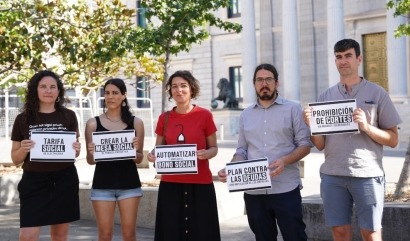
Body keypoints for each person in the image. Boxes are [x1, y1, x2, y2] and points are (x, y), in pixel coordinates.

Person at [303, 39, 402, 241]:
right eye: (339, 57)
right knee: (339, 232)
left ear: (359, 59)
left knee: (371, 233)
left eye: (348, 56)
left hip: (367, 174)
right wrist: (311, 125)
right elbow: (320, 145)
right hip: (333, 175)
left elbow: (393, 140)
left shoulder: (377, 93)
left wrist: (366, 127)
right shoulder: (325, 97)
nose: (343, 61)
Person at [217, 63, 312, 241]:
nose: (264, 84)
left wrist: (285, 160)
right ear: (254, 84)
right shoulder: (246, 114)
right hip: (254, 192)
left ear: (277, 83)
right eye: (259, 80)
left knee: (295, 237)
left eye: (268, 79)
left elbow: (305, 145)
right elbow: (242, 150)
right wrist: (232, 168)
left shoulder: (293, 109)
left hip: (286, 188)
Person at [146, 70, 220, 241]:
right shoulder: (164, 118)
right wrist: (152, 155)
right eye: (174, 87)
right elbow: (159, 148)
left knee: (202, 233)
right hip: (171, 185)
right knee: (172, 232)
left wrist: (206, 153)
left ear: (191, 89)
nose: (179, 90)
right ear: (170, 91)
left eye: (183, 86)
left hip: (200, 184)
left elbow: (214, 148)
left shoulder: (205, 115)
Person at [10, 70, 82, 241]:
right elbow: (15, 159)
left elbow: (76, 152)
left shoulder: (69, 116)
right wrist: (24, 149)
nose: (48, 91)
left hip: (64, 179)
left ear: (59, 91)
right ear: (35, 90)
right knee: (27, 235)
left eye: (52, 87)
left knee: (60, 234)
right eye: (43, 87)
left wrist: (77, 148)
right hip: (33, 181)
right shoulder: (23, 119)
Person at [85, 78, 145, 241]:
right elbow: (90, 160)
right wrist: (92, 152)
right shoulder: (93, 124)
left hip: (129, 185)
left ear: (124, 96)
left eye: (115, 93)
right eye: (107, 93)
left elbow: (139, 158)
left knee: (129, 234)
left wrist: (133, 150)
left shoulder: (136, 123)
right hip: (102, 186)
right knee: (104, 235)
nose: (111, 97)